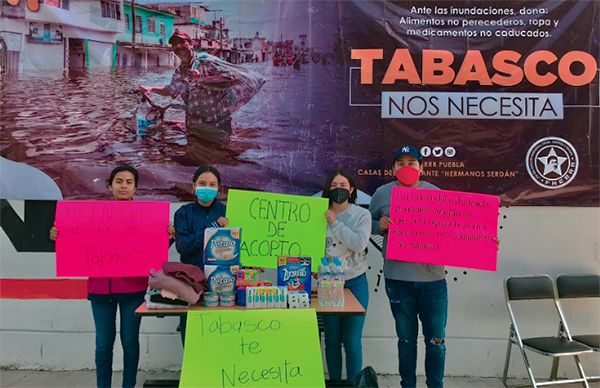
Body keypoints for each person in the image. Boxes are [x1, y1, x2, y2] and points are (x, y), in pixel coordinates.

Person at [50, 165, 175, 388]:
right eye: (119, 181)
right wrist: (58, 236)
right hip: (99, 290)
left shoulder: (147, 219)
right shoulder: (92, 216)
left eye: (129, 182)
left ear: (136, 187)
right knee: (103, 344)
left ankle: (128, 385)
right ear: (110, 186)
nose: (124, 186)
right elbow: (74, 243)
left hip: (132, 290)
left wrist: (167, 236)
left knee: (129, 341)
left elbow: (155, 251)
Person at [369, 146, 447, 388]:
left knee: (436, 342)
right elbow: (366, 224)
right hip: (398, 280)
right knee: (406, 340)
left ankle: (436, 385)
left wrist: (483, 243)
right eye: (400, 163)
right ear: (393, 169)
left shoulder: (436, 193)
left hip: (433, 281)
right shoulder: (383, 193)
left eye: (412, 162)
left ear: (421, 167)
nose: (406, 167)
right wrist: (379, 224)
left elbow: (456, 230)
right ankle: (408, 385)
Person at [138, 29, 263, 143]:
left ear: (191, 44)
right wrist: (151, 88)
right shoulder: (180, 71)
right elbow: (171, 90)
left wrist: (202, 79)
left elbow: (230, 78)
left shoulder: (206, 61)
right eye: (174, 44)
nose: (177, 46)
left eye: (181, 42)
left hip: (217, 127)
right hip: (194, 127)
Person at [320, 169, 371, 382]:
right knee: (331, 340)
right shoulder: (317, 212)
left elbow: (359, 244)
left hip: (355, 282)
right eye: (334, 186)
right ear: (327, 189)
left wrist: (335, 223)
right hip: (327, 284)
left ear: (351, 190)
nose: (338, 189)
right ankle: (334, 382)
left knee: (351, 341)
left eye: (343, 185)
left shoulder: (362, 215)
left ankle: (353, 383)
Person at [174, 165, 228, 344]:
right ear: (193, 187)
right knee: (190, 332)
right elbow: (183, 246)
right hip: (190, 282)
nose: (207, 188)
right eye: (202, 183)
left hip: (223, 282)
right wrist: (213, 228)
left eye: (212, 184)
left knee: (220, 332)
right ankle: (192, 371)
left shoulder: (227, 212)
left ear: (218, 189)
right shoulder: (183, 213)